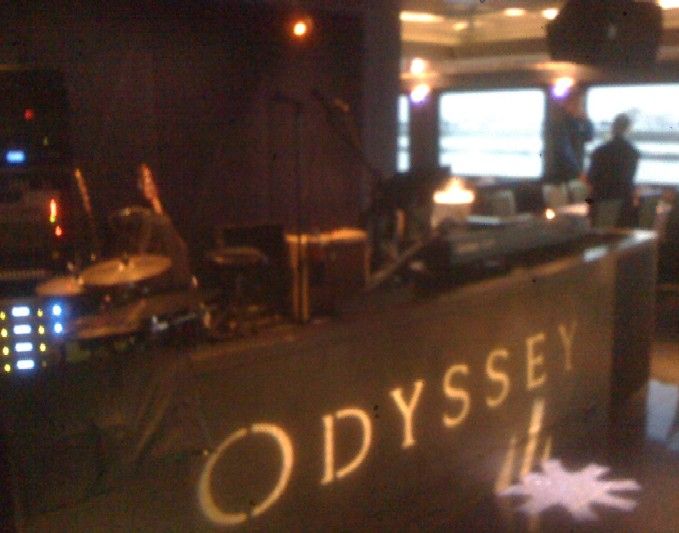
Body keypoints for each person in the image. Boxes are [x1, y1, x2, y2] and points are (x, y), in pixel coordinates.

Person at [586, 113, 640, 227]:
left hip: (600, 202)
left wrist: (589, 201)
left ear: (612, 128)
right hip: (625, 205)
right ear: (628, 129)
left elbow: (590, 179)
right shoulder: (633, 153)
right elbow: (629, 179)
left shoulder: (599, 152)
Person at [543, 88, 594, 207]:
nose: (580, 107)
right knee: (562, 211)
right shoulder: (558, 123)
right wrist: (578, 173)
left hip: (573, 175)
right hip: (559, 178)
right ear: (567, 104)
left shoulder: (577, 122)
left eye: (581, 104)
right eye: (577, 104)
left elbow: (589, 137)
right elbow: (564, 150)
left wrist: (587, 121)